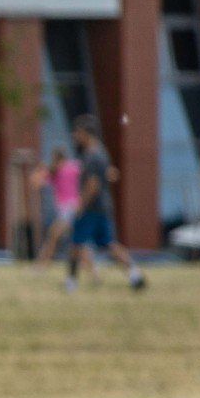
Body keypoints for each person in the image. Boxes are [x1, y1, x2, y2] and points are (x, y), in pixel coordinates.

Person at [68, 116, 147, 292]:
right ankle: (135, 275)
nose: (75, 136)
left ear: (86, 133)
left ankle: (71, 283)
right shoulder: (101, 153)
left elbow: (93, 184)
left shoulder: (91, 156)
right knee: (109, 244)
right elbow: (111, 174)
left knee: (75, 244)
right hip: (103, 207)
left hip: (91, 209)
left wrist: (81, 205)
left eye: (78, 132)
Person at [34, 147, 81, 271]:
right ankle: (94, 274)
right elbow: (36, 182)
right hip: (68, 209)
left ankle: (41, 266)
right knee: (78, 241)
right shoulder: (56, 172)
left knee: (53, 236)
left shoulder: (71, 167)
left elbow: (89, 171)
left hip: (70, 209)